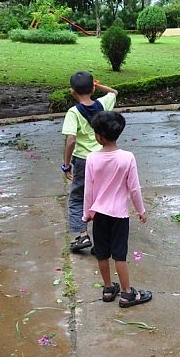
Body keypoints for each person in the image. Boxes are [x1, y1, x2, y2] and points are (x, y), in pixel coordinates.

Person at [82, 110, 152, 307]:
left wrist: (86, 214)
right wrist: (140, 210)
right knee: (119, 254)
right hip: (119, 215)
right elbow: (134, 188)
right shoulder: (127, 158)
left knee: (102, 253)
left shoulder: (92, 158)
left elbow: (89, 190)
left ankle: (107, 288)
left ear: (99, 136)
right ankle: (127, 293)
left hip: (99, 214)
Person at [61, 71, 118, 252]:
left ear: (72, 91)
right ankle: (102, 240)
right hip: (104, 159)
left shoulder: (73, 112)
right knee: (101, 198)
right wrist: (98, 85)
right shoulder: (103, 103)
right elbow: (114, 92)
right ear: (92, 88)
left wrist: (66, 164)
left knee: (78, 197)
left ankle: (83, 236)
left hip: (84, 161)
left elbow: (71, 140)